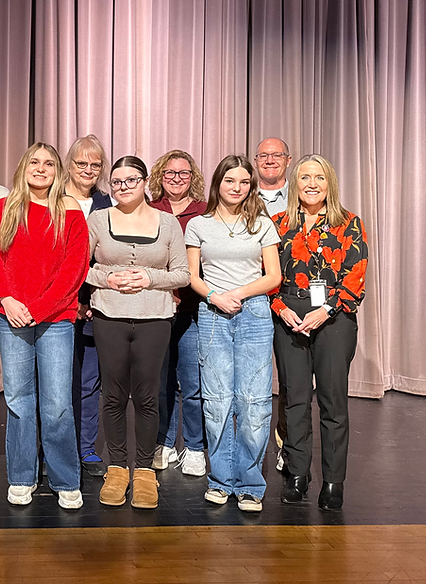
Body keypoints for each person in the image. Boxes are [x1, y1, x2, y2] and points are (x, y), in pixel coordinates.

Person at [87, 156, 189, 508]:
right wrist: (108, 278)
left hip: (154, 319)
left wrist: (149, 277)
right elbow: (80, 268)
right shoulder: (98, 220)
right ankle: (117, 468)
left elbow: (182, 274)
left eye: (131, 180)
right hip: (109, 316)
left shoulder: (168, 222)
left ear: (145, 182)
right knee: (113, 395)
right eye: (116, 182)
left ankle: (144, 471)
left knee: (147, 396)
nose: (123, 187)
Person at [0, 142, 89, 510]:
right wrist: (7, 299)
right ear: (23, 166)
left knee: (57, 404)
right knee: (18, 399)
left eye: (49, 163)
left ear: (57, 171)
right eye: (34, 161)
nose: (41, 168)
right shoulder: (3, 208)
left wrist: (38, 309)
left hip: (56, 319)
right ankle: (21, 476)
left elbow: (74, 270)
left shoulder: (71, 212)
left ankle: (65, 479)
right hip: (11, 316)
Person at [185, 154, 281, 513]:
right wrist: (215, 297)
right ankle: (220, 480)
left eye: (243, 182)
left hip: (253, 312)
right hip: (213, 314)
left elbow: (273, 276)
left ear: (250, 186)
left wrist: (236, 294)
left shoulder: (262, 224)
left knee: (254, 402)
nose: (237, 188)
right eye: (230, 181)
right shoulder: (198, 225)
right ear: (218, 183)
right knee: (217, 401)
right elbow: (191, 275)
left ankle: (250, 483)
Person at [271, 154, 367, 511]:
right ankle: (297, 475)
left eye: (319, 178)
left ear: (330, 184)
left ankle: (332, 481)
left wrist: (324, 311)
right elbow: (267, 276)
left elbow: (354, 277)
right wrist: (281, 309)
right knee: (294, 399)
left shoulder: (349, 224)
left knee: (332, 401)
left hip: (333, 318)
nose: (312, 184)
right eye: (305, 177)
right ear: (295, 183)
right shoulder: (278, 224)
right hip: (289, 318)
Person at [148, 150, 209, 476]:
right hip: (157, 310)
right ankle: (165, 442)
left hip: (193, 310)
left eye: (183, 173)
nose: (176, 179)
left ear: (192, 177)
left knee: (193, 383)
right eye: (169, 173)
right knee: (162, 383)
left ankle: (195, 447)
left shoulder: (204, 211)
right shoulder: (149, 210)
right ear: (160, 176)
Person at [61, 134, 112, 478]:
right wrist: (71, 302)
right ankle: (54, 450)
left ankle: (86, 448)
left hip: (95, 306)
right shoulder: (52, 198)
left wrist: (90, 300)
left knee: (89, 381)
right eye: (82, 163)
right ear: (70, 164)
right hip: (57, 307)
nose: (88, 169)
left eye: (95, 164)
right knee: (55, 383)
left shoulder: (108, 203)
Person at [253, 136, 293, 472]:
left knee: (291, 381)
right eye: (263, 155)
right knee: (249, 380)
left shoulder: (301, 196)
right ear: (255, 161)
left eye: (276, 155)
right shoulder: (240, 193)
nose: (269, 160)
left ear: (288, 160)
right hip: (250, 296)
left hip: (289, 299)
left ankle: (286, 443)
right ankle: (247, 448)